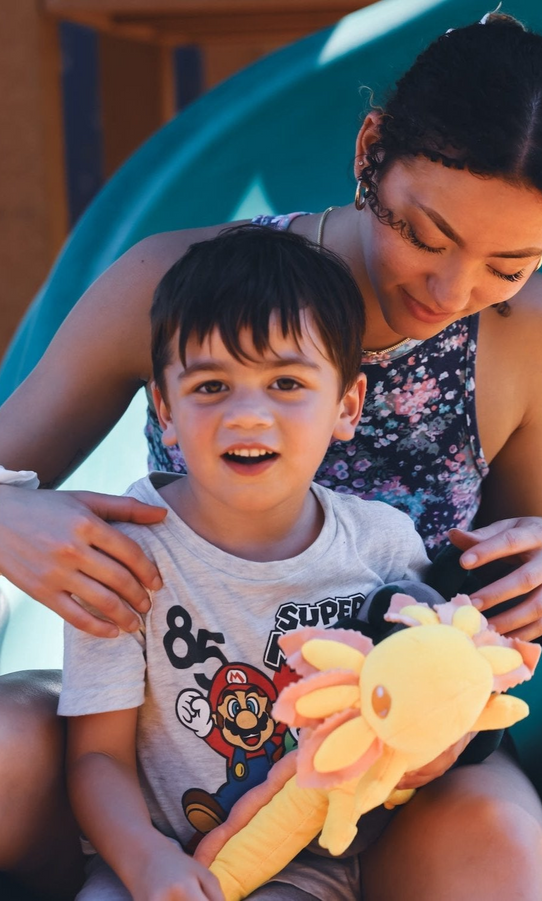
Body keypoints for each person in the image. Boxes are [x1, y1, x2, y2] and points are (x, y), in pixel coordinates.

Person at [0, 10, 542, 900]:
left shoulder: (533, 333)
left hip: (383, 766)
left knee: (501, 845)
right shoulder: (184, 287)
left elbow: (504, 588)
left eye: (508, 264)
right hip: (163, 730)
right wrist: (7, 514)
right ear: (368, 154)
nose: (451, 289)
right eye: (425, 234)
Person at [60, 225, 432, 901]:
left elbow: (421, 714)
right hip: (144, 856)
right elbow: (95, 756)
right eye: (211, 387)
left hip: (304, 869)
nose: (248, 417)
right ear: (164, 410)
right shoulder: (122, 550)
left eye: (286, 382)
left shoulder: (384, 551)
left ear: (347, 404)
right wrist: (146, 863)